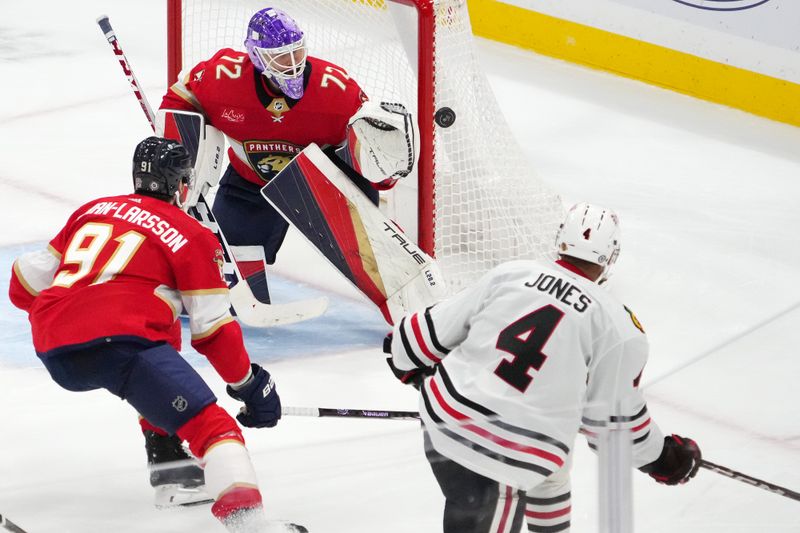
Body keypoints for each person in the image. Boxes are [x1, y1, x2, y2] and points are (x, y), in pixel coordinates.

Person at [8, 137, 304, 533]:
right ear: (182, 185)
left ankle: (171, 466)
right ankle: (251, 525)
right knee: (214, 428)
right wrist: (249, 386)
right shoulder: (194, 235)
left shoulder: (93, 211)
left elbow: (22, 285)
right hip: (123, 344)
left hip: (54, 343)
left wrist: (78, 315)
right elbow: (214, 330)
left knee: (162, 335)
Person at [383, 202, 702, 533]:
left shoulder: (512, 273)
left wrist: (407, 363)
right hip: (503, 459)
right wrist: (664, 458)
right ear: (611, 259)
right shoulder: (619, 327)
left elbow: (417, 339)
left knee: (552, 464)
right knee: (535, 457)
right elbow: (614, 430)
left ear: (560, 240)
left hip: (444, 426)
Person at [158, 6, 414, 304]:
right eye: (281, 57)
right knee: (225, 271)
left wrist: (382, 178)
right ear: (256, 57)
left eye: (296, 52)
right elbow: (179, 98)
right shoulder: (222, 77)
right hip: (252, 182)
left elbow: (369, 144)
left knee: (372, 249)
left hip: (327, 181)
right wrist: (178, 149)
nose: (292, 64)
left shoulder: (337, 90)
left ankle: (408, 300)